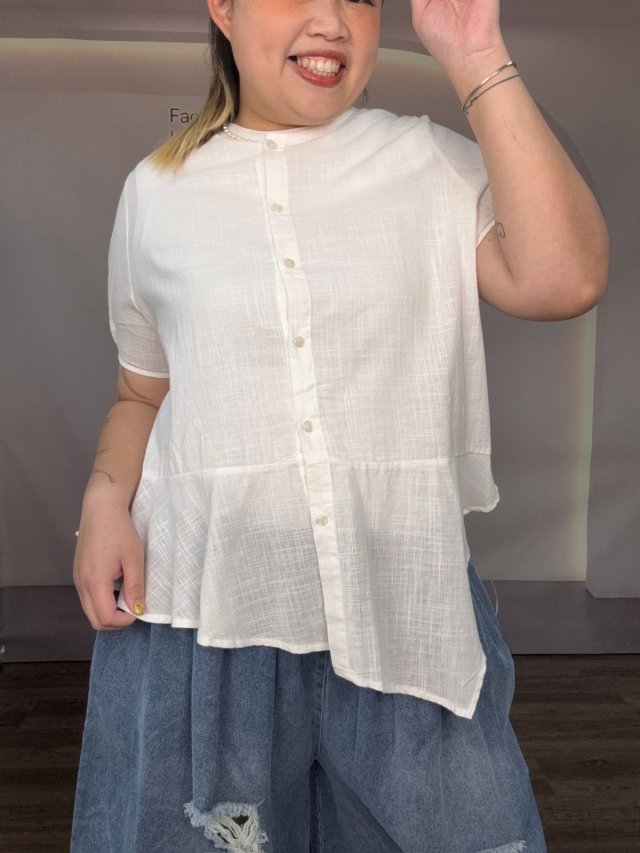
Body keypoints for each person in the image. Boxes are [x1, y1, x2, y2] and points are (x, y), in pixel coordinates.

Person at [71, 0, 608, 851]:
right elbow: (143, 391)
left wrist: (475, 53)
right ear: (223, 7)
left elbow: (565, 278)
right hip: (207, 619)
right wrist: (105, 500)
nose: (331, 19)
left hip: (402, 610)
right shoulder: (156, 192)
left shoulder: (426, 162)